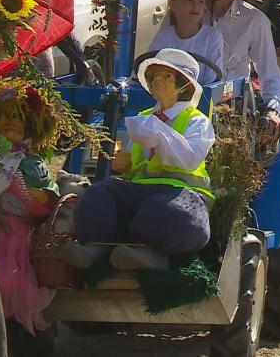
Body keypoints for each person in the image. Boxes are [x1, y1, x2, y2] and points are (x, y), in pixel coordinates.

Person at [67, 49, 214, 271]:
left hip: (179, 192)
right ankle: (97, 248)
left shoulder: (197, 121)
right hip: (138, 189)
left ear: (184, 86)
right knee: (99, 194)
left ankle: (151, 255)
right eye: (154, 75)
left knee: (168, 213)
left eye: (167, 76)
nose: (157, 81)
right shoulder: (144, 117)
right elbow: (134, 165)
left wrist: (159, 132)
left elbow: (188, 159)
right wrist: (125, 164)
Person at [0, 78, 60, 336]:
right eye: (5, 116)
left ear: (29, 124)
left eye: (17, 116)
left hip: (14, 234)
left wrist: (26, 189)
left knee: (6, 279)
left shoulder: (30, 163)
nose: (10, 121)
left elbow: (46, 201)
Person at [191, 0, 280, 129]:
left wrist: (273, 110)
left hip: (232, 111)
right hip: (184, 107)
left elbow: (270, 75)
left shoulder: (254, 20)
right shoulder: (184, 12)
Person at [149, 0, 225, 85]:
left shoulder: (212, 36)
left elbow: (213, 79)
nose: (196, 6)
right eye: (189, 1)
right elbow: (150, 67)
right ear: (173, 4)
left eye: (201, 1)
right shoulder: (164, 36)